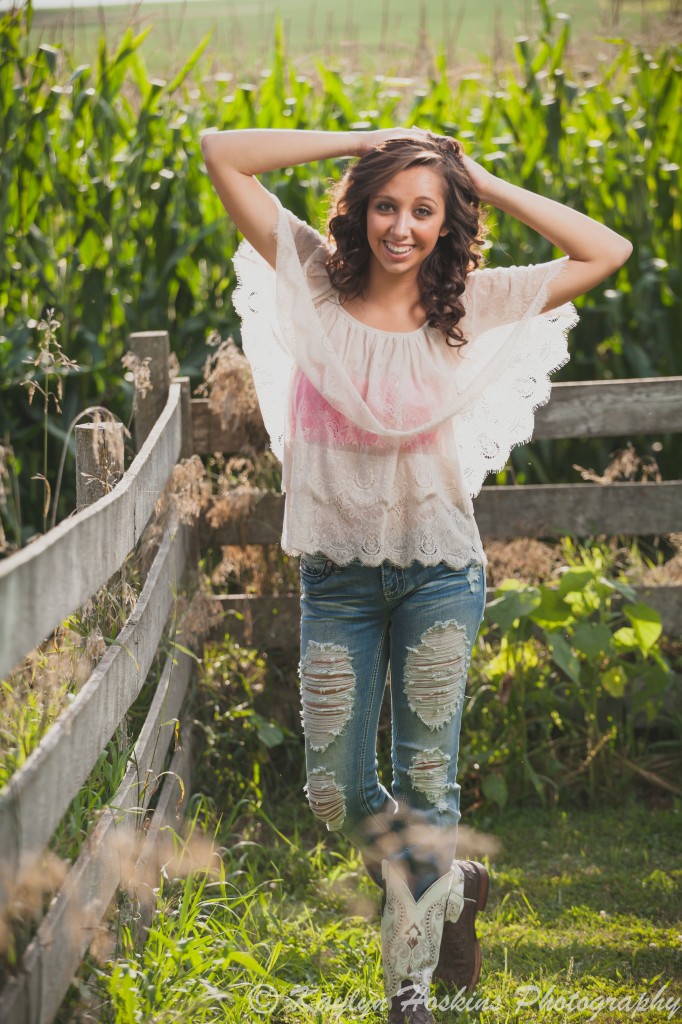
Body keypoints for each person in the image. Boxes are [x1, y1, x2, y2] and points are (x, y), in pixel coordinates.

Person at [200, 126, 632, 1023]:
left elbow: (609, 250)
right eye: (387, 204)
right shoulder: (311, 276)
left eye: (424, 210)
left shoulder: (469, 302)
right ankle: (450, 883)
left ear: (446, 222)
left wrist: (483, 180)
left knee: (430, 785)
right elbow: (221, 151)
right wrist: (369, 139)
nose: (402, 225)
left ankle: (415, 989)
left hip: (439, 572)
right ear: (360, 206)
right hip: (338, 581)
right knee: (333, 790)